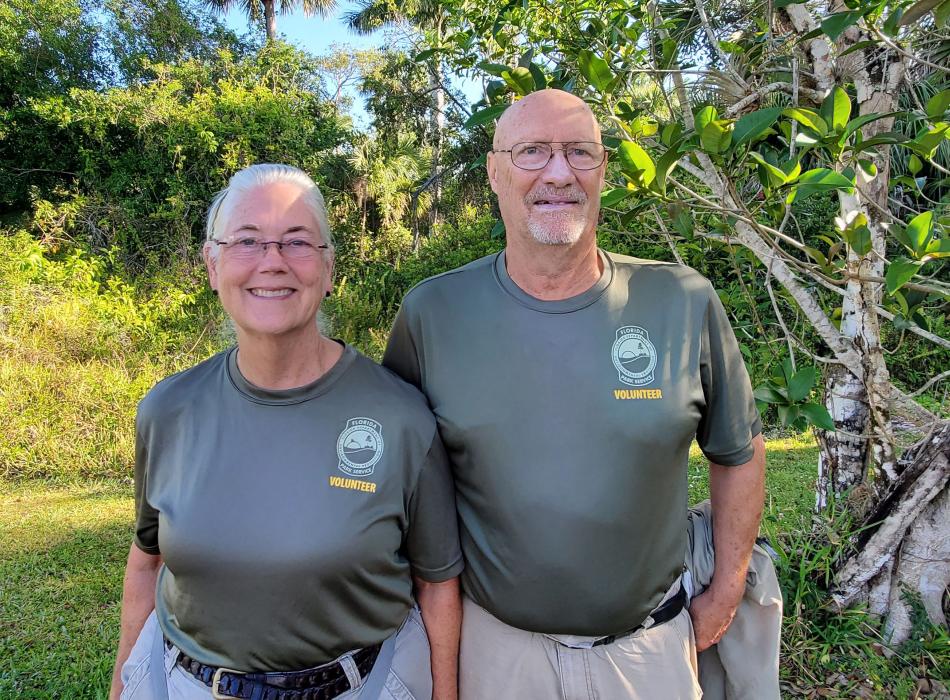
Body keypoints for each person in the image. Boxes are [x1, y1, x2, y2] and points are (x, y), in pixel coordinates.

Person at [382, 89, 766, 699]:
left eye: (579, 153)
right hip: (494, 653)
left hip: (648, 654)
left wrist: (726, 590)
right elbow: (401, 487)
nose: (558, 173)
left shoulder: (681, 301)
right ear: (495, 172)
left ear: (603, 170)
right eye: (532, 151)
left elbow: (739, 451)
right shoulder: (433, 312)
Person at [109, 164, 463, 700]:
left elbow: (437, 585)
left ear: (328, 268)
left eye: (296, 242)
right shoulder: (168, 410)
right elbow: (147, 559)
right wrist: (123, 684)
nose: (272, 262)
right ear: (212, 263)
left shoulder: (401, 416)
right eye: (247, 241)